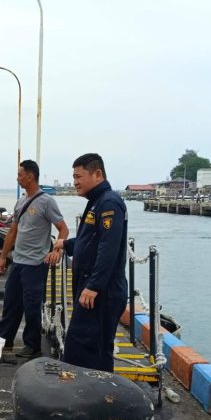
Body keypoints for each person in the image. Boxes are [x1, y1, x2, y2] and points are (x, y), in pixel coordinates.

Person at [54, 153, 128, 372]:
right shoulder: (97, 202)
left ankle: (97, 398)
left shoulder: (109, 203)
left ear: (97, 174)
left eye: (78, 176)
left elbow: (108, 248)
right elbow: (91, 241)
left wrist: (94, 286)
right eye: (73, 177)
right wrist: (65, 244)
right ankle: (92, 398)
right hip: (92, 290)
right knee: (86, 349)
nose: (75, 182)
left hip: (102, 294)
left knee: (87, 349)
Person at [0, 160, 69, 359]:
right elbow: (13, 231)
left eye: (20, 174)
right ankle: (4, 341)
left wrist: (57, 250)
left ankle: (32, 345)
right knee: (11, 304)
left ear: (30, 176)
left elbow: (63, 228)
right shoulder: (20, 202)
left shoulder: (46, 201)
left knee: (31, 306)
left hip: (36, 263)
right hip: (18, 261)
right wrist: (3, 257)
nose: (18, 178)